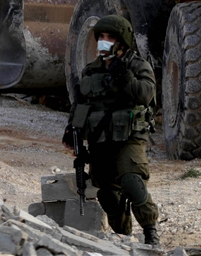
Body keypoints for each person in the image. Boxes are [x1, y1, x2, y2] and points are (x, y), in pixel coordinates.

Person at [63, 15, 160, 245]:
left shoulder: (137, 66)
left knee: (132, 181)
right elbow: (81, 105)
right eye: (101, 37)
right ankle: (123, 236)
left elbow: (146, 95)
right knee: (107, 194)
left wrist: (123, 75)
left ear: (122, 41)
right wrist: (72, 129)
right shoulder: (90, 71)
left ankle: (150, 231)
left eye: (111, 37)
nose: (104, 42)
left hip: (129, 136)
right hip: (100, 139)